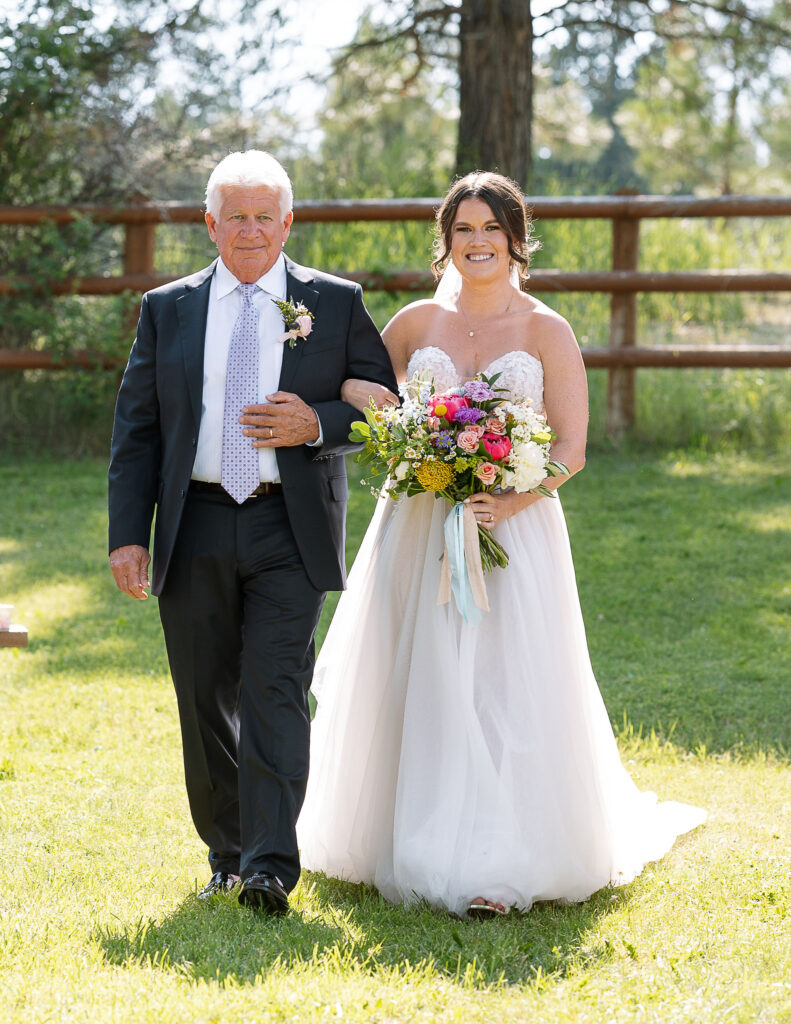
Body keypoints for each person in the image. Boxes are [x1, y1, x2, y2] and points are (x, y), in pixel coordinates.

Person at [297, 171, 705, 917]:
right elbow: (359, 387)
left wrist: (509, 498)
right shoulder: (414, 323)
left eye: (490, 230)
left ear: (517, 241)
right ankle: (400, 834)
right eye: (463, 230)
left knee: (500, 684)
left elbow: (572, 448)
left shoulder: (545, 329)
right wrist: (392, 423)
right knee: (413, 672)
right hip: (416, 524)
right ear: (444, 242)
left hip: (512, 531)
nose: (476, 243)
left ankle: (500, 858)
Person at [108, 150, 397, 915]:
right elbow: (136, 430)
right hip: (193, 521)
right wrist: (127, 535)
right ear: (209, 223)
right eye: (234, 215)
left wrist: (319, 422)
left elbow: (386, 408)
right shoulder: (167, 308)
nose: (249, 229)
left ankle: (269, 866)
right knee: (204, 696)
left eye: (263, 215)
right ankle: (226, 854)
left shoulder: (332, 303)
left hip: (288, 524)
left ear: (288, 222)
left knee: (274, 690)